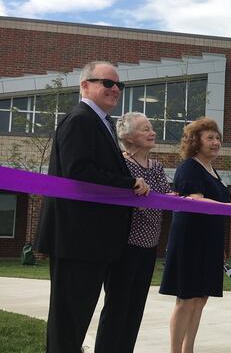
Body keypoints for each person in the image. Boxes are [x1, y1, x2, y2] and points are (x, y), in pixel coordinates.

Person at [34, 61, 151, 352]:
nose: (115, 89)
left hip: (91, 242)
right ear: (85, 85)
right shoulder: (80, 119)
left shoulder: (100, 122)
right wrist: (129, 183)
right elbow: (78, 172)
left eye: (119, 85)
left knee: (77, 319)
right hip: (77, 240)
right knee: (68, 322)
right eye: (107, 83)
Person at [160, 117, 231, 353]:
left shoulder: (212, 170)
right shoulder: (189, 167)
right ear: (195, 142)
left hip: (210, 242)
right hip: (190, 240)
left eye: (217, 138)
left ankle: (188, 349)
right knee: (186, 299)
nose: (216, 142)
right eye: (210, 138)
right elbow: (196, 201)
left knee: (200, 299)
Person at [95, 112, 172, 351]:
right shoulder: (121, 163)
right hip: (124, 245)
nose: (152, 132)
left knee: (136, 307)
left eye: (151, 128)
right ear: (128, 137)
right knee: (117, 306)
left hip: (149, 246)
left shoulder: (156, 166)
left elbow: (164, 196)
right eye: (145, 129)